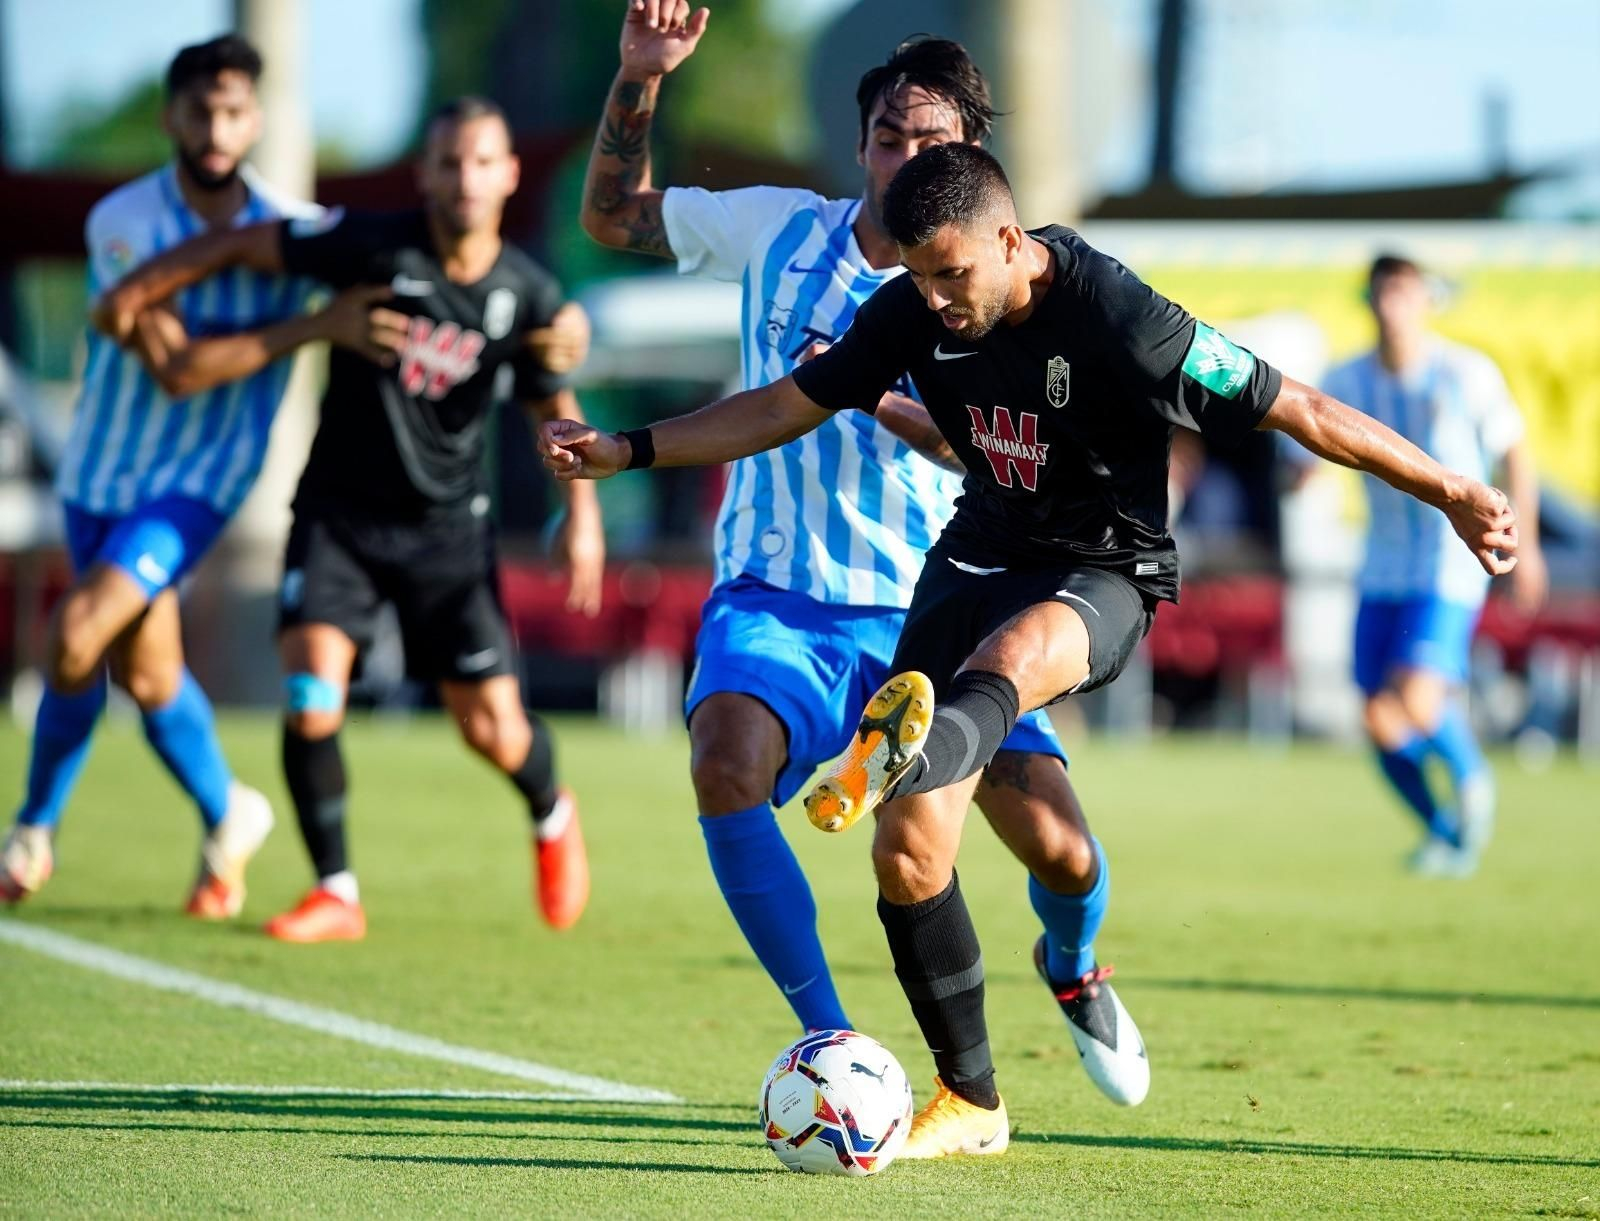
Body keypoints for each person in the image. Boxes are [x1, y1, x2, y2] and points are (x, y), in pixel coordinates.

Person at [541, 143, 1520, 1157]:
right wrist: (629, 449)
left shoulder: (1120, 314)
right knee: (913, 854)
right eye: (918, 278)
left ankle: (1052, 935)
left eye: (954, 273)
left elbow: (1301, 408)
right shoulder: (916, 306)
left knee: (1016, 672)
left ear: (1010, 241)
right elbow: (788, 404)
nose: (938, 299)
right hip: (977, 557)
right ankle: (971, 1099)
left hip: (1102, 571)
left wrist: (1451, 490)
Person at [578, 1, 1147, 1109]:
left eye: (932, 142)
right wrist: (639, 80)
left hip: (941, 613)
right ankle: (832, 1041)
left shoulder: (1001, 289)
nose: (906, 158)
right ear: (860, 149)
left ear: (972, 156)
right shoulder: (776, 229)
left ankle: (1073, 969)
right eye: (890, 138)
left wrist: (887, 399)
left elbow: (992, 449)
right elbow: (612, 218)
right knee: (722, 760)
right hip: (779, 597)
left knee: (1063, 856)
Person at [93, 96, 606, 941]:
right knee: (309, 696)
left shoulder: (530, 291)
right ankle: (337, 890)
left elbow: (554, 405)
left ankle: (552, 811)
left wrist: (580, 514)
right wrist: (141, 284)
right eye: (448, 161)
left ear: (509, 174)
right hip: (340, 517)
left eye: (482, 161)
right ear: (425, 171)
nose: (464, 179)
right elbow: (246, 242)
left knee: (491, 728)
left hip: (448, 532)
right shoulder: (371, 245)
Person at [0, 34, 397, 917]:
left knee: (74, 638)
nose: (217, 128)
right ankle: (229, 811)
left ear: (255, 118)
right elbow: (174, 370)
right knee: (145, 676)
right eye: (200, 110)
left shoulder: (291, 227)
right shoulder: (124, 222)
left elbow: (399, 263)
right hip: (100, 471)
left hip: (200, 483)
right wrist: (313, 327)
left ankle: (31, 830)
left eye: (233, 111)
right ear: (170, 117)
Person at [1322, 254, 1545, 877]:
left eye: (1405, 290)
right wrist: (1297, 473)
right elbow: (1312, 443)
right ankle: (1446, 834)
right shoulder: (1345, 377)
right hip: (1380, 567)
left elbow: (1515, 451)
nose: (1393, 302)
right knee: (1376, 716)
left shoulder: (1463, 373)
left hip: (1450, 563)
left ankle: (1473, 780)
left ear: (1427, 301)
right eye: (1383, 290)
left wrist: (1521, 541)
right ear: (1368, 302)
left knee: (1417, 699)